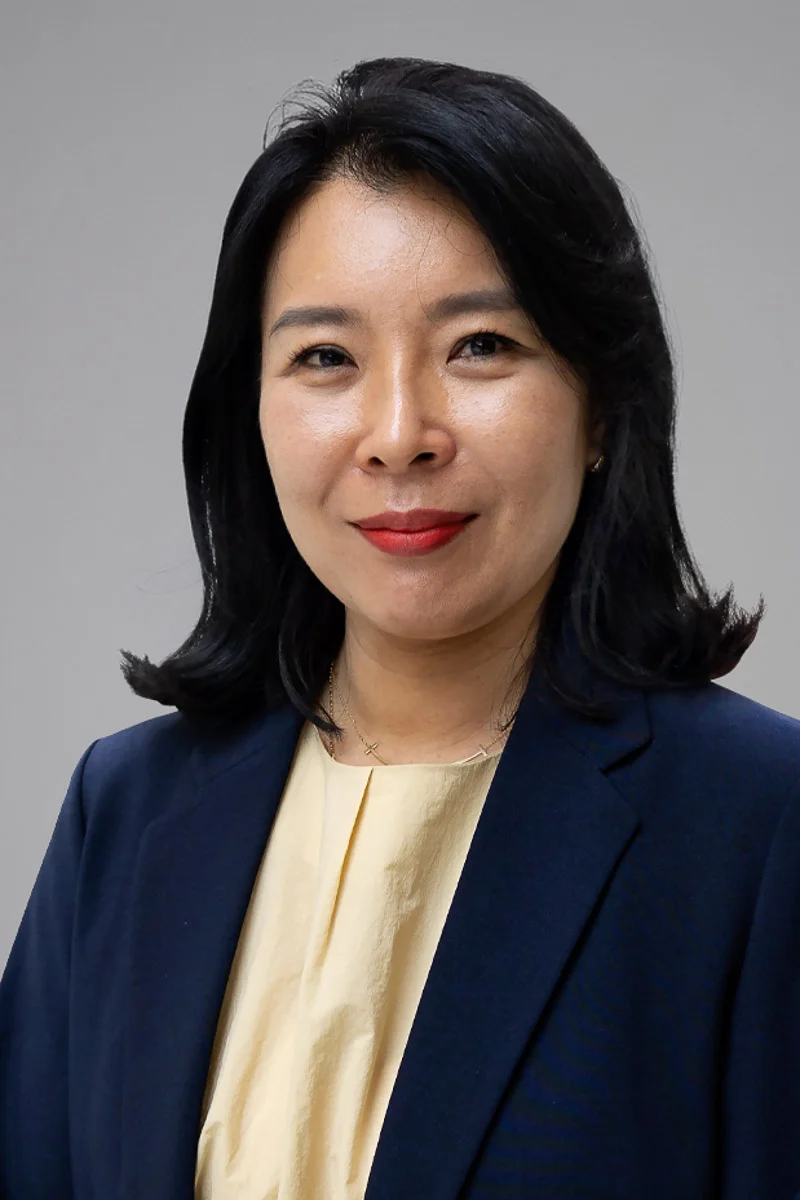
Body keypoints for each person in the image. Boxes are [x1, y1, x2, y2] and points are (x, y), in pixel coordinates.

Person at [1, 53, 798, 1200]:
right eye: (324, 357)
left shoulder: (756, 829)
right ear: (252, 410)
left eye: (479, 346)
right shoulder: (124, 817)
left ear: (599, 406)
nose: (397, 434)